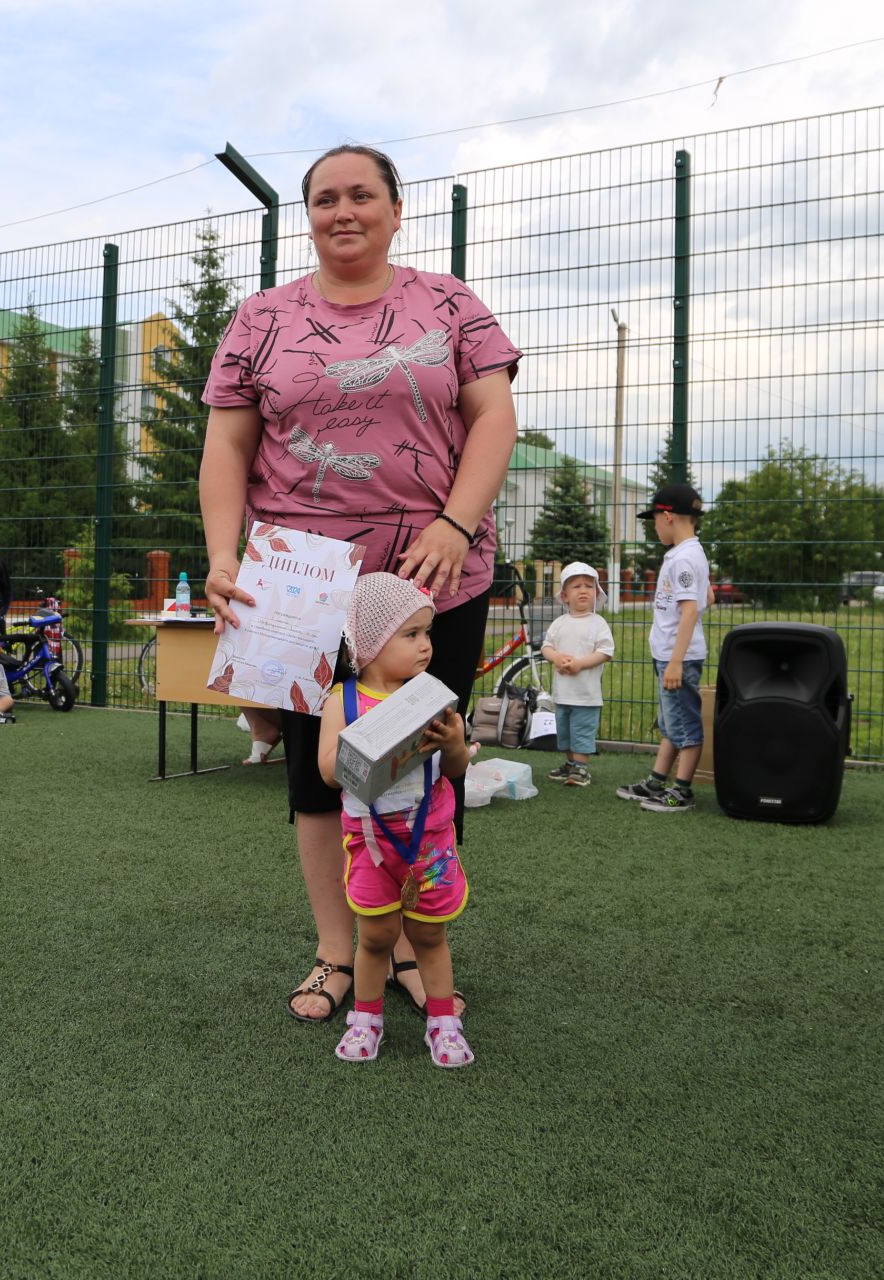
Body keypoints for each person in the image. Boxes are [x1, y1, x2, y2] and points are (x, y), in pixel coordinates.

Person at [198, 143, 521, 1023]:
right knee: (317, 770)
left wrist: (455, 524)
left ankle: (417, 950)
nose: (345, 211)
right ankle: (337, 955)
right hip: (299, 585)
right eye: (326, 198)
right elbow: (227, 446)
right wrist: (224, 555)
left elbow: (494, 415)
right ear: (307, 214)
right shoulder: (260, 318)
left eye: (362, 195)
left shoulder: (449, 304)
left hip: (430, 577)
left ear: (394, 207)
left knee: (427, 760)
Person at [318, 574, 473, 1067]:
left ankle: (443, 1022)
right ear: (370, 642)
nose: (426, 646)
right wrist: (365, 745)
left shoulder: (432, 698)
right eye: (411, 635)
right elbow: (327, 773)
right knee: (377, 937)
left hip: (430, 842)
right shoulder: (341, 701)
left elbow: (455, 770)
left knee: (431, 935)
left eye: (428, 633)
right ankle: (366, 1018)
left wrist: (454, 745)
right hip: (372, 845)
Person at [616, 484, 709, 814]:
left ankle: (682, 791)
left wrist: (675, 661)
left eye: (654, 519)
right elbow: (706, 598)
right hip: (672, 652)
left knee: (685, 725)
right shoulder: (691, 554)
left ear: (667, 516)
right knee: (671, 722)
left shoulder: (683, 559)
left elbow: (691, 610)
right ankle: (657, 780)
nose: (654, 526)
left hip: (677, 657)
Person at [541, 561, 615, 787]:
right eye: (576, 586)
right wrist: (556, 657)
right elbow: (546, 646)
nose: (583, 590)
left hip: (586, 694)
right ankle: (571, 764)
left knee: (582, 731)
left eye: (589, 586)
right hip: (563, 693)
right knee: (565, 731)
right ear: (564, 596)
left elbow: (606, 651)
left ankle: (581, 768)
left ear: (596, 593)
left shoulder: (598, 623)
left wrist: (580, 664)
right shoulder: (559, 623)